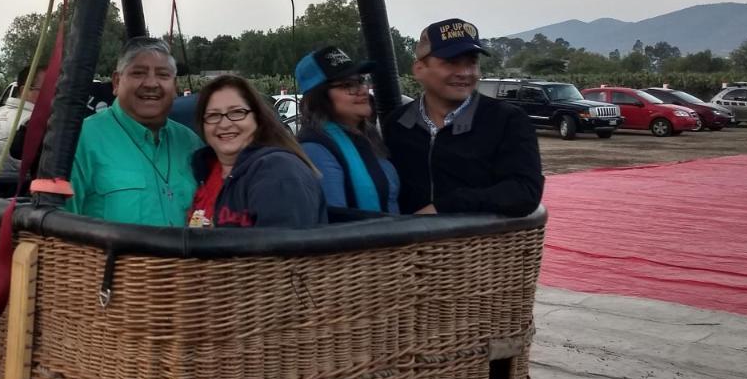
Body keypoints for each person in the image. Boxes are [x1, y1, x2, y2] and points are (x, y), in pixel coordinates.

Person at [384, 18, 543, 216]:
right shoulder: (398, 123)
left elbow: (525, 192)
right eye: (451, 63)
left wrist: (445, 207)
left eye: (472, 63)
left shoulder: (507, 120)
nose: (464, 73)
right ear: (419, 69)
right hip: (412, 245)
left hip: (481, 245)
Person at [67, 37, 202, 226]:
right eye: (138, 73)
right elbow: (58, 226)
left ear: (175, 87)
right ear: (116, 82)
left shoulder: (191, 143)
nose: (151, 84)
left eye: (163, 75)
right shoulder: (81, 140)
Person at [188, 75, 326, 228]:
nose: (225, 124)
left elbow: (283, 248)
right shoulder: (203, 171)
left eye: (237, 112)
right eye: (213, 115)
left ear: (258, 119)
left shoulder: (279, 172)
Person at [294, 46, 401, 213]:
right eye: (347, 85)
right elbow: (338, 224)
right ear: (319, 97)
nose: (362, 90)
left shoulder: (367, 138)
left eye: (360, 81)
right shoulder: (315, 149)